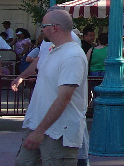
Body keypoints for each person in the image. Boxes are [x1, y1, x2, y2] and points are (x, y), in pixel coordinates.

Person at [14, 9, 88, 166]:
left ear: (54, 27)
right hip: (38, 126)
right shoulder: (53, 50)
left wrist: (40, 131)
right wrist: (21, 76)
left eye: (43, 26)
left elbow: (64, 98)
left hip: (59, 132)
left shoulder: (73, 56)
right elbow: (37, 66)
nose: (41, 29)